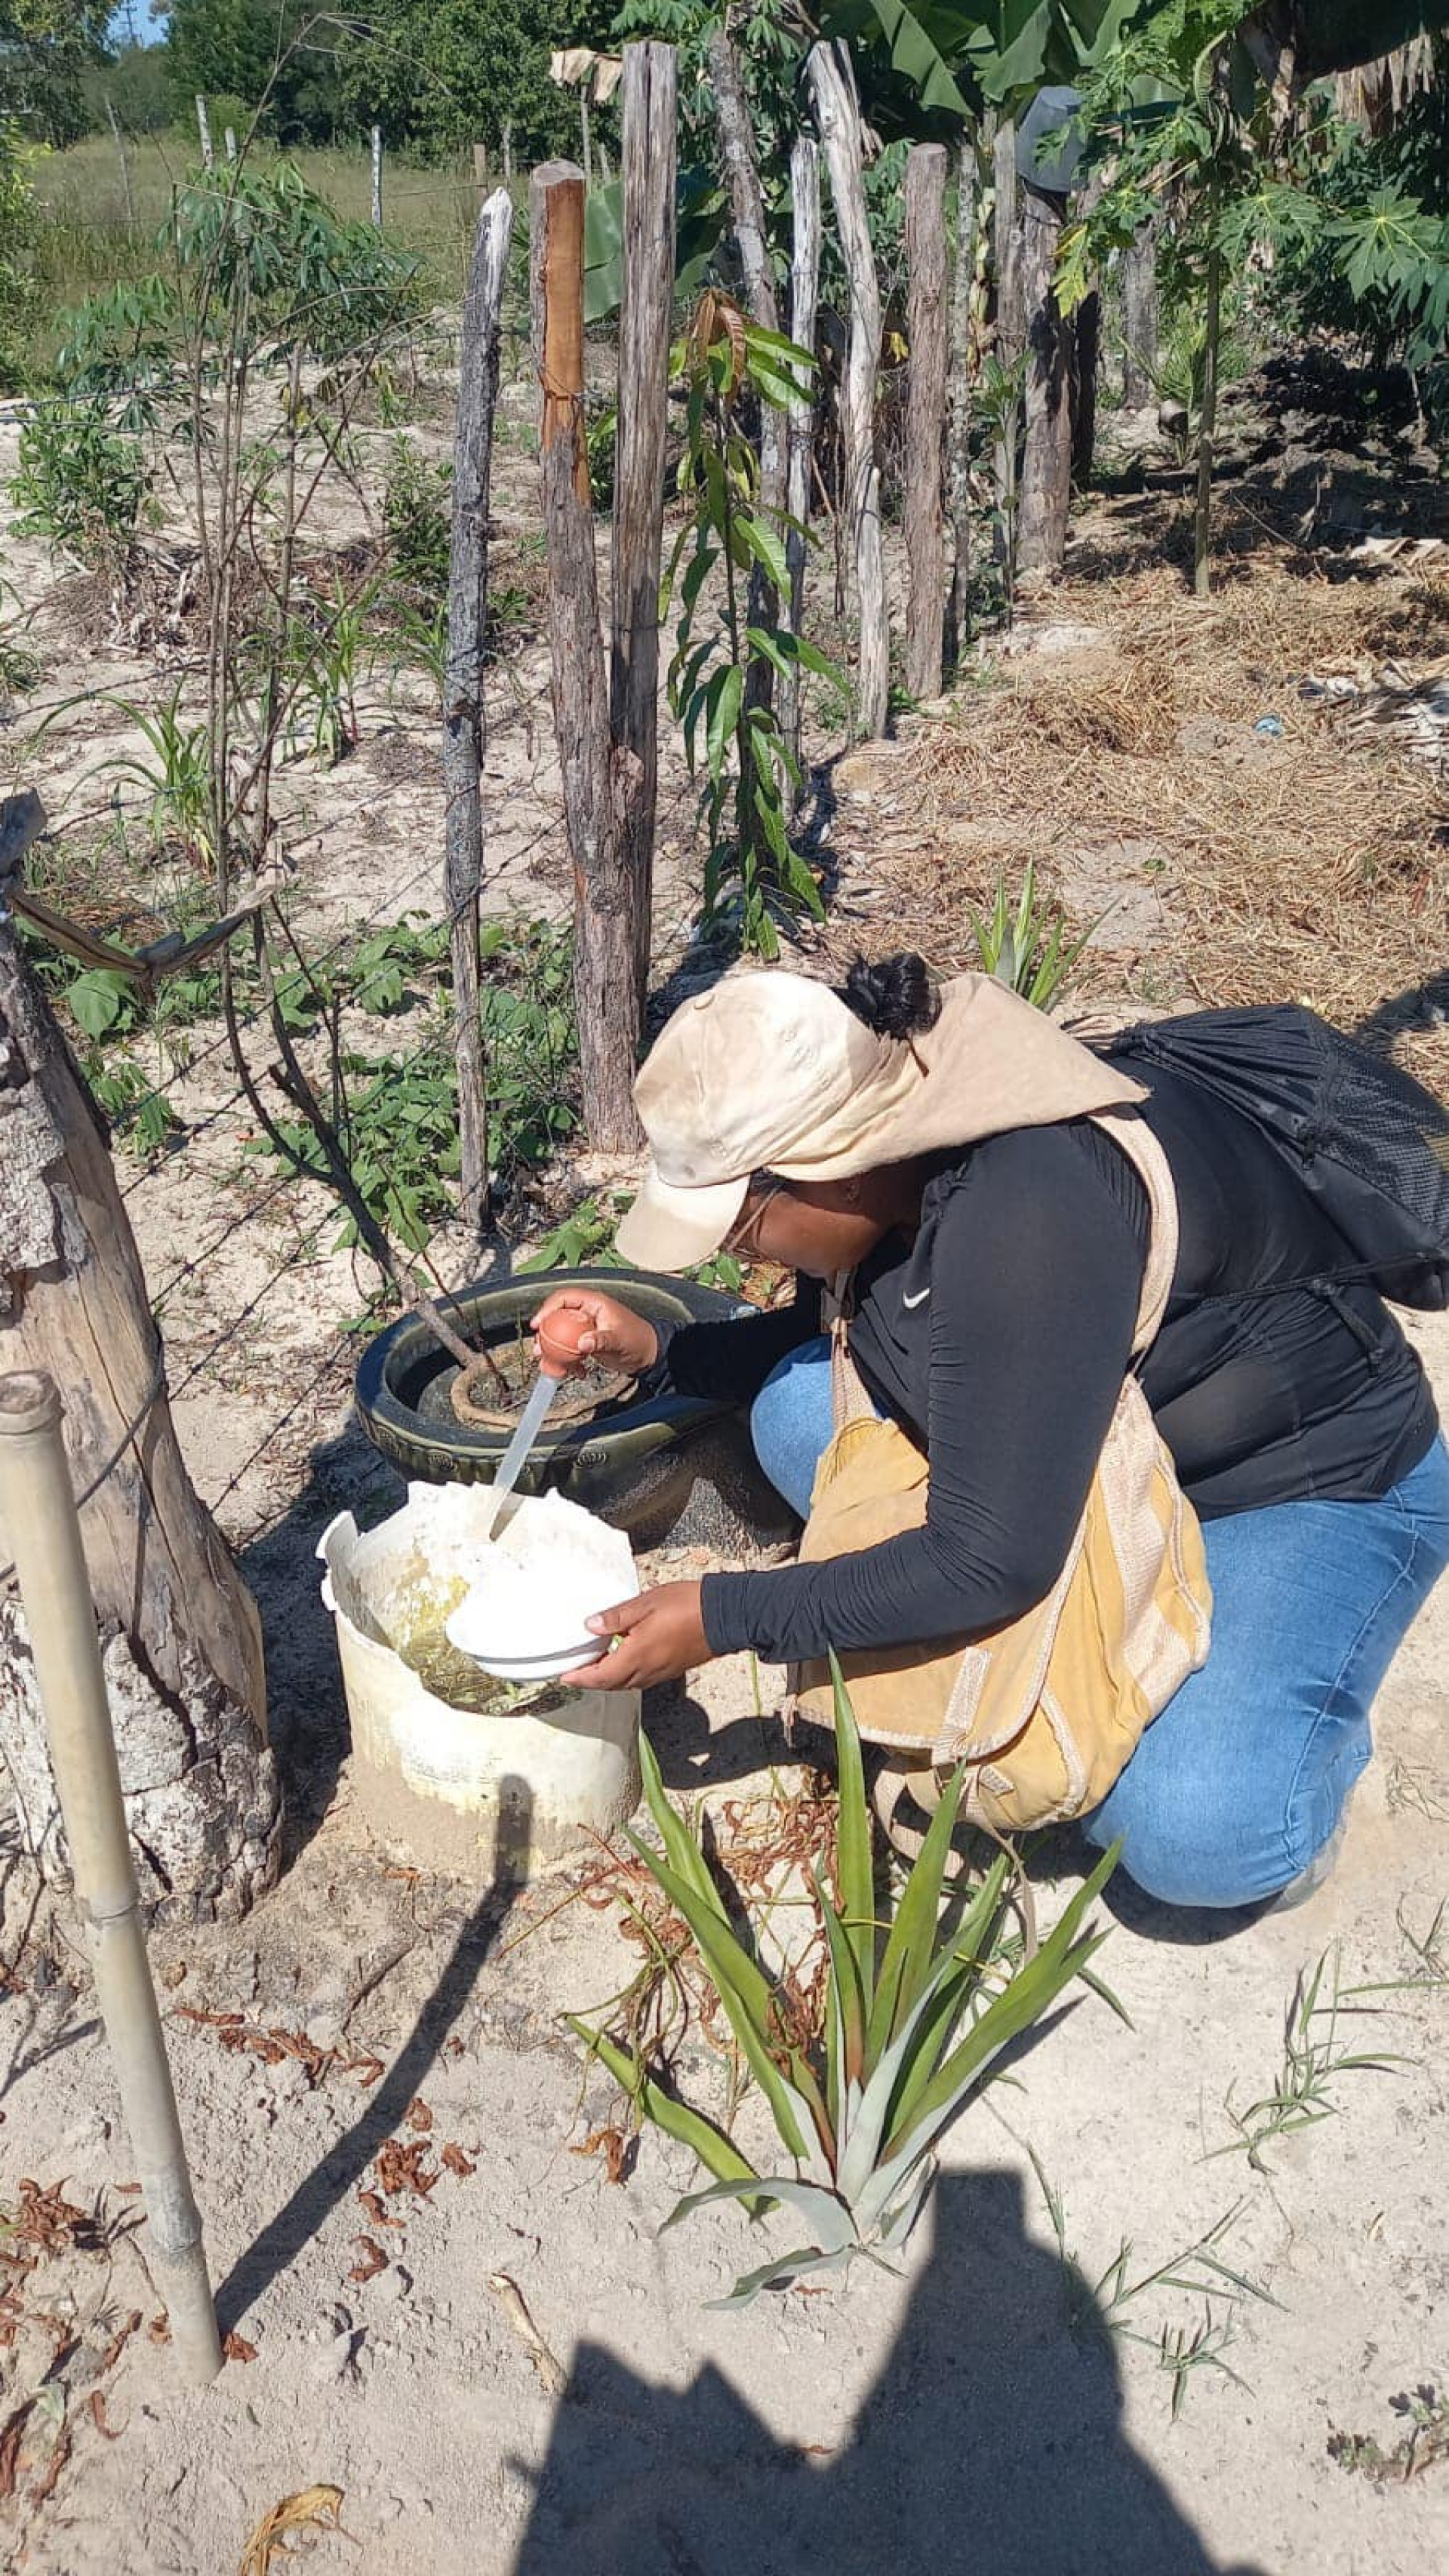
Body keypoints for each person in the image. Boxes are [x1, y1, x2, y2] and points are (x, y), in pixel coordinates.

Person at [531, 958, 1449, 1912]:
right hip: (1089, 1448)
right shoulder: (906, 1133)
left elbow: (988, 1561)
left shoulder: (1027, 1215)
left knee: (1199, 1831)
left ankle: (1300, 1735)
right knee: (795, 1407)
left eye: (743, 1224)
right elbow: (847, 1320)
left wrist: (721, 1619)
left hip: (1294, 1491)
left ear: (829, 1170)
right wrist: (662, 1354)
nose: (738, 1251)